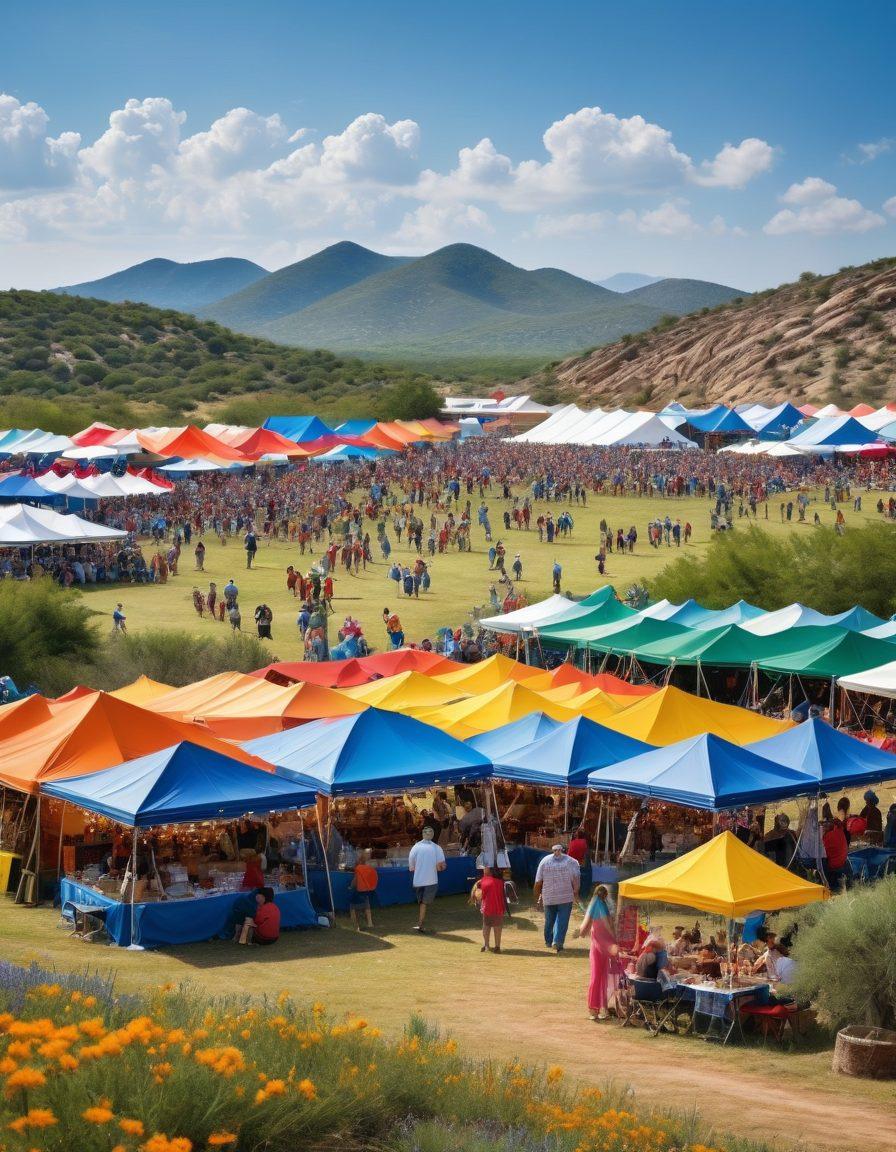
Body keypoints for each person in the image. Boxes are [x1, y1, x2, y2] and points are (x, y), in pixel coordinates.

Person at [575, 884, 617, 1020]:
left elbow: (587, 924)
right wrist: (614, 938)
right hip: (603, 945)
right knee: (602, 977)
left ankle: (595, 1009)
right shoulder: (601, 905)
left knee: (597, 977)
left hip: (597, 945)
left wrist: (581, 932)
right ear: (605, 895)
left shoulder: (595, 904)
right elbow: (607, 925)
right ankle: (600, 1008)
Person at [533, 843, 581, 954]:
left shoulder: (544, 861)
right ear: (564, 850)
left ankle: (549, 941)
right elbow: (576, 879)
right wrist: (576, 892)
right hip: (565, 897)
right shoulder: (572, 862)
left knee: (549, 920)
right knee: (562, 920)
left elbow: (538, 881)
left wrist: (537, 897)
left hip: (549, 896)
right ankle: (558, 942)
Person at [407, 826, 446, 932]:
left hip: (418, 880)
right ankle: (420, 923)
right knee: (424, 903)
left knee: (422, 903)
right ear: (432, 835)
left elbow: (411, 865)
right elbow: (440, 866)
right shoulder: (437, 848)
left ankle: (421, 922)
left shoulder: (415, 847)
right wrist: (441, 867)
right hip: (431, 880)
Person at [472, 866, 506, 953]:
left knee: (486, 926)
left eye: (485, 868)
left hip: (488, 908)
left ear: (489, 870)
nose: (483, 869)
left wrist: (477, 889)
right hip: (498, 907)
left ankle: (486, 945)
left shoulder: (484, 881)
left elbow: (479, 896)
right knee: (497, 927)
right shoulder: (500, 882)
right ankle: (497, 946)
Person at [349, 849, 378, 931]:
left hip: (358, 889)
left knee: (352, 907)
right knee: (367, 906)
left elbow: (355, 880)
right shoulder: (368, 867)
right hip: (367, 889)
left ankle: (355, 924)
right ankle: (370, 923)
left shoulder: (358, 868)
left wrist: (350, 886)